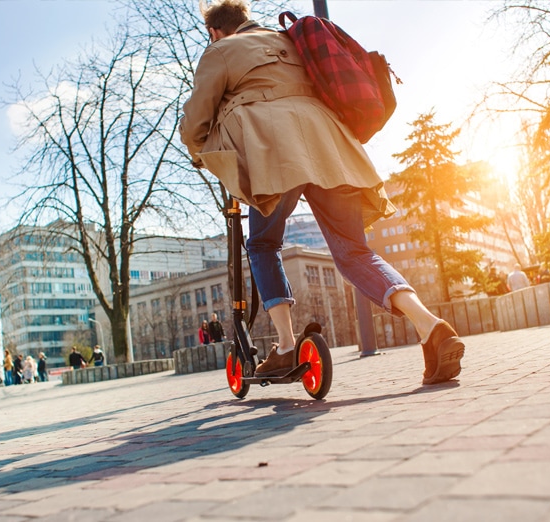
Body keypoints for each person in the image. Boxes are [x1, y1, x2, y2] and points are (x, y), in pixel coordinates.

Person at [179, 0, 464, 384]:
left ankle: (284, 345)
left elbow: (197, 117)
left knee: (263, 244)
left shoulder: (220, 50)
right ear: (247, 19)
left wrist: (201, 151)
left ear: (215, 30)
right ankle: (430, 325)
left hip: (273, 153)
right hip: (331, 146)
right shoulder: (293, 41)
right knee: (354, 252)